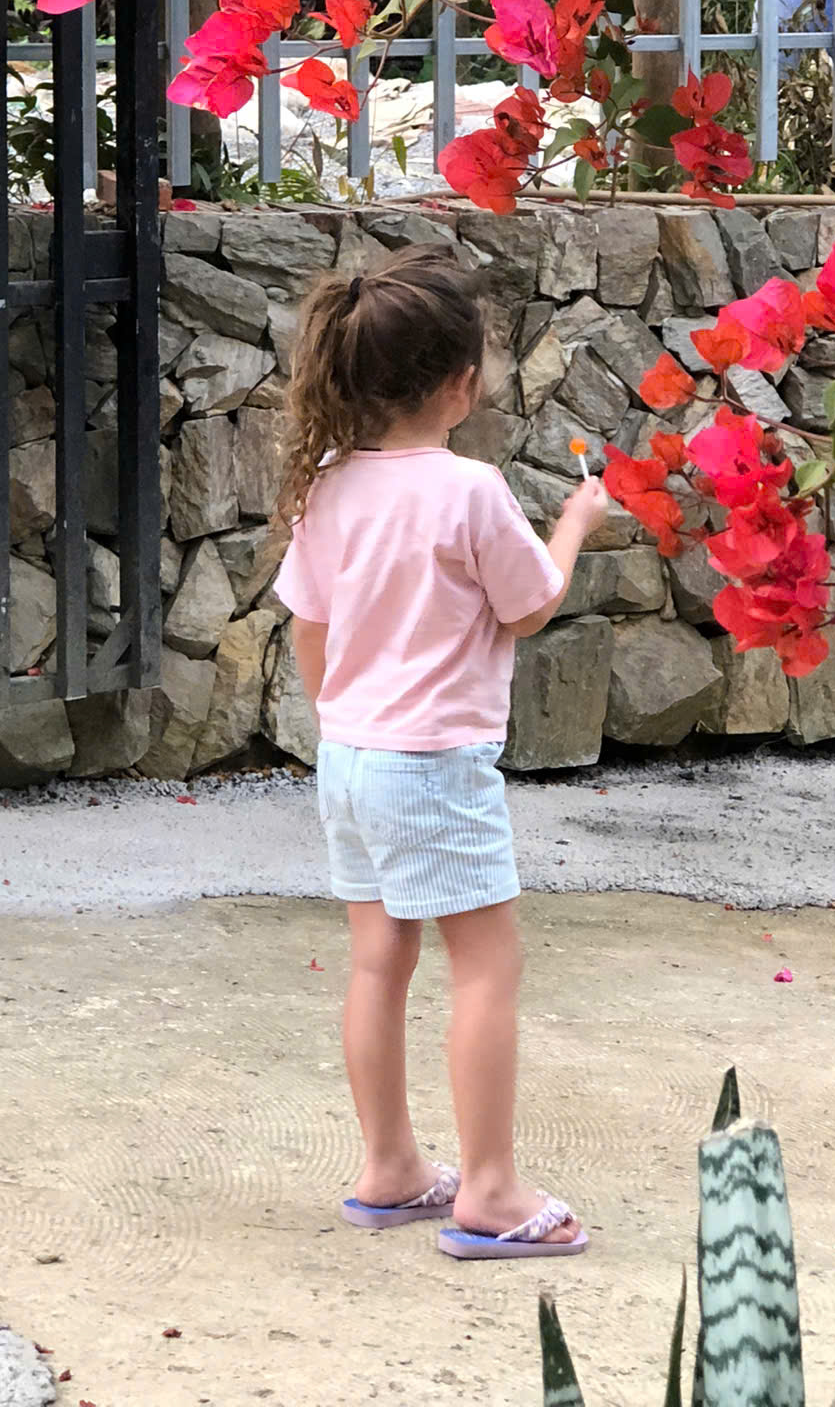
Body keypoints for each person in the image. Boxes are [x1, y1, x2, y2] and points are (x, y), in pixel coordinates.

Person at [273, 249, 611, 1261]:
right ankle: (493, 1190)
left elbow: (309, 629)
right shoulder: (470, 490)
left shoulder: (327, 486)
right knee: (487, 967)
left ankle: (390, 1168)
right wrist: (575, 524)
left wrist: (344, 720)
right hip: (432, 764)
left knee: (377, 961)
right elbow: (531, 605)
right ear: (460, 385)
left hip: (350, 756)